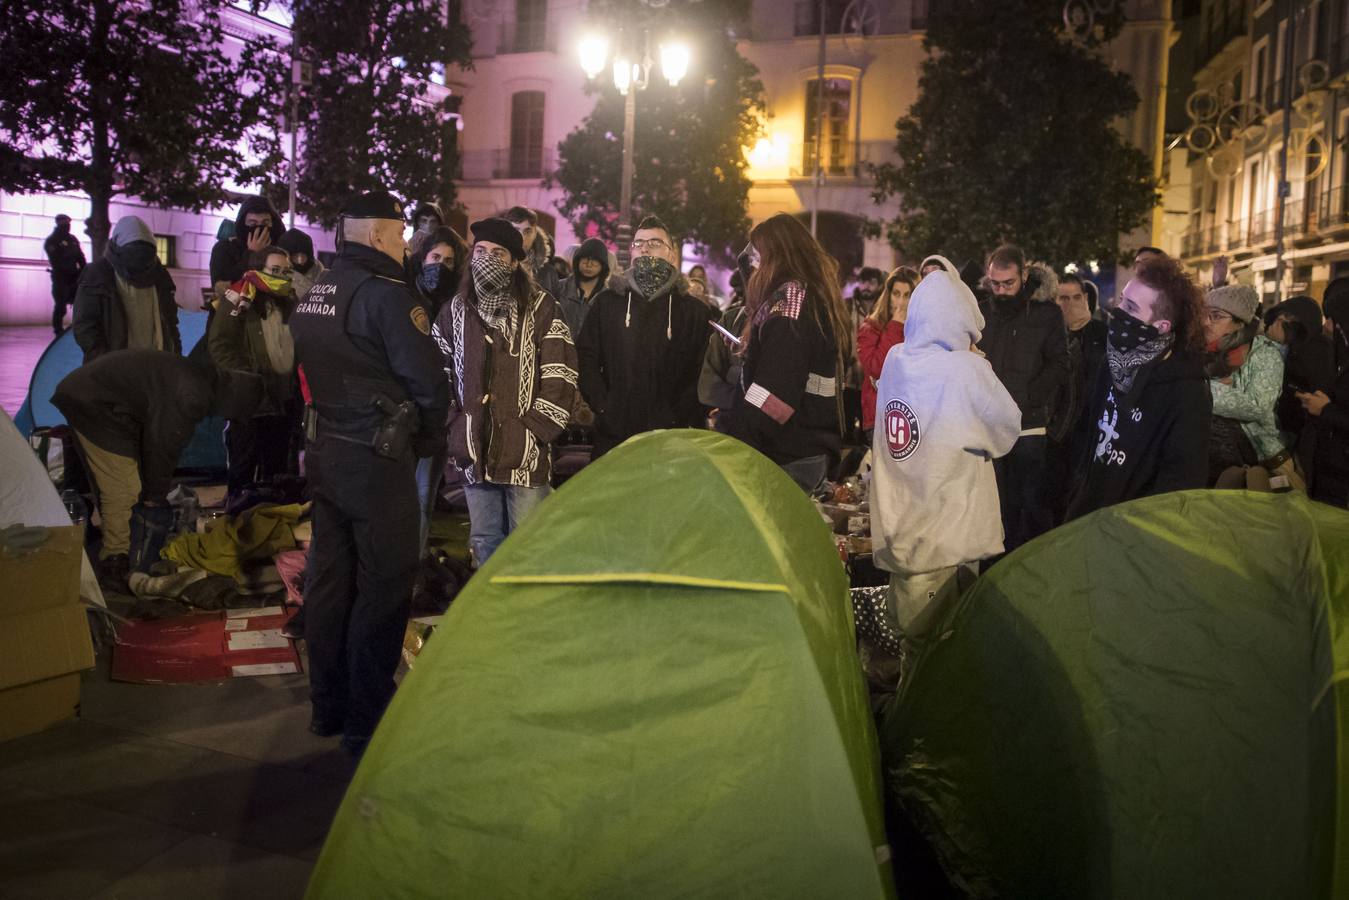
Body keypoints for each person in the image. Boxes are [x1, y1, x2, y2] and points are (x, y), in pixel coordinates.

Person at [288, 190, 449, 757]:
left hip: (327, 453)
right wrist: (431, 438)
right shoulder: (386, 297)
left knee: (330, 583)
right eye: (401, 231)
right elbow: (427, 382)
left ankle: (326, 707)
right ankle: (367, 718)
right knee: (382, 589)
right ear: (379, 234)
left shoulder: (318, 291)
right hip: (377, 462)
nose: (406, 241)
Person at [870, 256, 1021, 671]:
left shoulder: (896, 361)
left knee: (913, 653)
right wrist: (979, 364)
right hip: (948, 538)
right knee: (940, 660)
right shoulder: (967, 371)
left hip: (903, 532)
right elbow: (1007, 430)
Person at [432, 218, 578, 564]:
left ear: (515, 262)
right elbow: (438, 375)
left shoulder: (542, 309)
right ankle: (490, 615)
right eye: (480, 251)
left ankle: (529, 615)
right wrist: (456, 425)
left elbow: (561, 372)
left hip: (524, 454)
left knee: (528, 545)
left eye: (497, 253)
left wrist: (535, 430)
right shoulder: (454, 310)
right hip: (474, 450)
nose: (486, 258)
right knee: (484, 542)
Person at [51, 350, 261, 587]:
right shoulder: (192, 395)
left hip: (98, 399)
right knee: (123, 487)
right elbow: (162, 446)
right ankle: (115, 561)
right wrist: (154, 497)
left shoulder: (201, 380)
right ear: (231, 401)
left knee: (119, 480)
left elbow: (155, 438)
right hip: (93, 403)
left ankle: (119, 545)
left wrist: (153, 492)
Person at [1066, 256, 1211, 519]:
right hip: (1087, 510)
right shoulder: (1112, 361)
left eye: (1131, 307)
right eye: (1122, 299)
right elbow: (1089, 428)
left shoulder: (1187, 391)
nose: (1119, 312)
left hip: (1132, 528)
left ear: (1161, 326)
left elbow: (1180, 479)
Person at [724, 213, 850, 493]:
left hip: (788, 454)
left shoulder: (790, 301)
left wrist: (736, 436)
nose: (752, 266)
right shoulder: (804, 296)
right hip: (799, 448)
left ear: (776, 257)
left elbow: (774, 391)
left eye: (757, 256)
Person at [577, 215, 712, 457]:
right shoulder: (608, 303)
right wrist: (604, 407)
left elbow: (702, 370)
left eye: (654, 242)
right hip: (615, 436)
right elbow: (586, 357)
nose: (645, 248)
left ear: (672, 254)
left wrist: (678, 415)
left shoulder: (694, 311)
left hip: (672, 440)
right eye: (639, 243)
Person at [977, 245, 1070, 552]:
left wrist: (1030, 398)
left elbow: (1059, 363)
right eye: (996, 284)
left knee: (1030, 507)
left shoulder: (1046, 314)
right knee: (995, 509)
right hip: (988, 426)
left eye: (1009, 283)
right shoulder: (982, 312)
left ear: (1024, 275)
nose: (1001, 291)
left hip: (1028, 426)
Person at [210, 246, 300, 499]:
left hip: (282, 399)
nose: (281, 276)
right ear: (258, 268)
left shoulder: (290, 301)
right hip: (249, 402)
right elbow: (220, 343)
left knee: (276, 472)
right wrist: (246, 377)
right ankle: (238, 524)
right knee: (243, 469)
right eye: (274, 270)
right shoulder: (239, 297)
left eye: (285, 271)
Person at [1202, 283, 1299, 489]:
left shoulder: (1264, 354)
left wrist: (1204, 388)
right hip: (1205, 457)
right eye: (1205, 315)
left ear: (1239, 323)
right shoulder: (1199, 351)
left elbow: (1257, 406)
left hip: (1257, 457)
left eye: (1216, 316)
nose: (1206, 323)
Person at [71, 215, 181, 363]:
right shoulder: (97, 274)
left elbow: (170, 320)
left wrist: (175, 356)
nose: (139, 262)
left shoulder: (159, 275)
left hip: (156, 364)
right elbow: (85, 324)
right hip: (112, 368)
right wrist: (103, 360)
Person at [1047, 272, 1108, 519]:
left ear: (1085, 297)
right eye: (1063, 298)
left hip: (1091, 431)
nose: (1070, 304)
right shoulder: (1049, 336)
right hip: (1056, 434)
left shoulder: (1103, 334)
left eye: (1075, 297)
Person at [1296, 280, 1349, 506]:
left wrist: (1325, 410)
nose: (1328, 326)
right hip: (1329, 474)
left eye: (1334, 322)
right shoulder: (1341, 358)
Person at [857, 267, 916, 442]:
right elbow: (877, 368)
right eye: (896, 293)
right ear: (888, 294)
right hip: (880, 417)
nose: (901, 301)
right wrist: (896, 327)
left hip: (913, 415)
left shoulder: (920, 328)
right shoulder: (871, 327)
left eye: (907, 295)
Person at [209, 196, 285, 305]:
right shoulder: (225, 248)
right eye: (252, 224)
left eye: (265, 223)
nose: (259, 229)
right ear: (242, 224)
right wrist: (252, 254)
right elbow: (223, 286)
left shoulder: (281, 250)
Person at [407, 225, 467, 321]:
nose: (440, 265)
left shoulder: (457, 301)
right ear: (423, 260)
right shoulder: (407, 292)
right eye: (436, 257)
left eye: (448, 261)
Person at [502, 206, 563, 300]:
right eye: (516, 230)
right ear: (506, 232)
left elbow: (555, 310)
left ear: (535, 233)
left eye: (527, 231)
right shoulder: (494, 266)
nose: (522, 237)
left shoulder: (548, 273)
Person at [558, 237, 610, 339]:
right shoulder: (560, 288)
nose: (589, 264)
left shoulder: (608, 298)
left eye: (595, 260)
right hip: (559, 351)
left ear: (603, 265)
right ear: (578, 260)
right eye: (585, 258)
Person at [44, 214, 86, 336]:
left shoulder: (72, 239)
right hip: (60, 277)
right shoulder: (52, 240)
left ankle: (79, 325)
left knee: (80, 301)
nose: (68, 226)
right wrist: (66, 270)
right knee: (61, 305)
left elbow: (80, 256)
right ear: (59, 224)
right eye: (65, 224)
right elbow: (55, 260)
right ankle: (58, 330)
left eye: (68, 223)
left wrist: (84, 270)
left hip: (75, 276)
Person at [278, 228, 326, 301]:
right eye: (295, 256)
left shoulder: (324, 275)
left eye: (303, 255)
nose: (300, 261)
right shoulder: (278, 278)